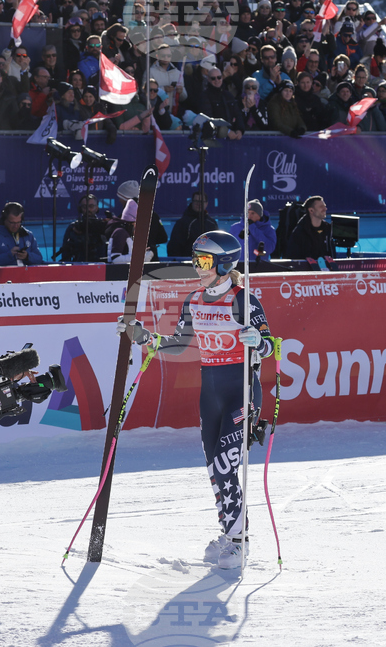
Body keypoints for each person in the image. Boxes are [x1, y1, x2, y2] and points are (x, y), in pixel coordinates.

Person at [116, 230, 275, 569]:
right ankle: (229, 531)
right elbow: (177, 342)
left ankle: (237, 542)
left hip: (241, 390)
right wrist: (142, 336)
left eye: (203, 261)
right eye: (195, 260)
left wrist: (255, 341)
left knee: (225, 462)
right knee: (214, 469)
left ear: (223, 263)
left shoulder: (242, 299)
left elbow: (269, 345)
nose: (197, 267)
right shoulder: (194, 300)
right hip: (210, 395)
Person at [117, 179, 167, 259]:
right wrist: (151, 244)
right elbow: (163, 237)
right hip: (152, 261)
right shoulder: (153, 215)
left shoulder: (124, 217)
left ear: (126, 198)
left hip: (131, 261)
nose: (119, 200)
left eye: (120, 197)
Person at [0, 201, 44, 266]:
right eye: (12, 223)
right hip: (6, 275)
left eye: (18, 222)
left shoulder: (28, 235)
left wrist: (27, 256)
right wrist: (9, 255)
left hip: (28, 275)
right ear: (4, 220)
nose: (15, 226)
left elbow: (39, 259)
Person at [166, 191, 217, 258]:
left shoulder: (212, 223)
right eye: (196, 201)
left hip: (209, 263)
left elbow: (217, 245)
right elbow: (174, 247)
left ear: (206, 204)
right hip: (187, 263)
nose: (199, 204)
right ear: (192, 202)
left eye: (201, 201)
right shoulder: (182, 223)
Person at [59, 194, 107, 262]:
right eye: (84, 207)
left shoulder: (102, 226)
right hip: (78, 264)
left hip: (99, 265)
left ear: (97, 208)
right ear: (80, 209)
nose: (88, 209)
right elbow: (65, 253)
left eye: (91, 206)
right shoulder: (73, 227)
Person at [286, 195, 334, 260]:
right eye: (321, 207)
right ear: (311, 210)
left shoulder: (328, 229)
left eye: (324, 206)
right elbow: (294, 258)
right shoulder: (299, 232)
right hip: (306, 269)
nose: (325, 209)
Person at [106, 198, 152, 264]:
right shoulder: (120, 232)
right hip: (119, 273)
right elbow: (116, 259)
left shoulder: (125, 232)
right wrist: (141, 258)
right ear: (132, 223)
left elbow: (127, 254)